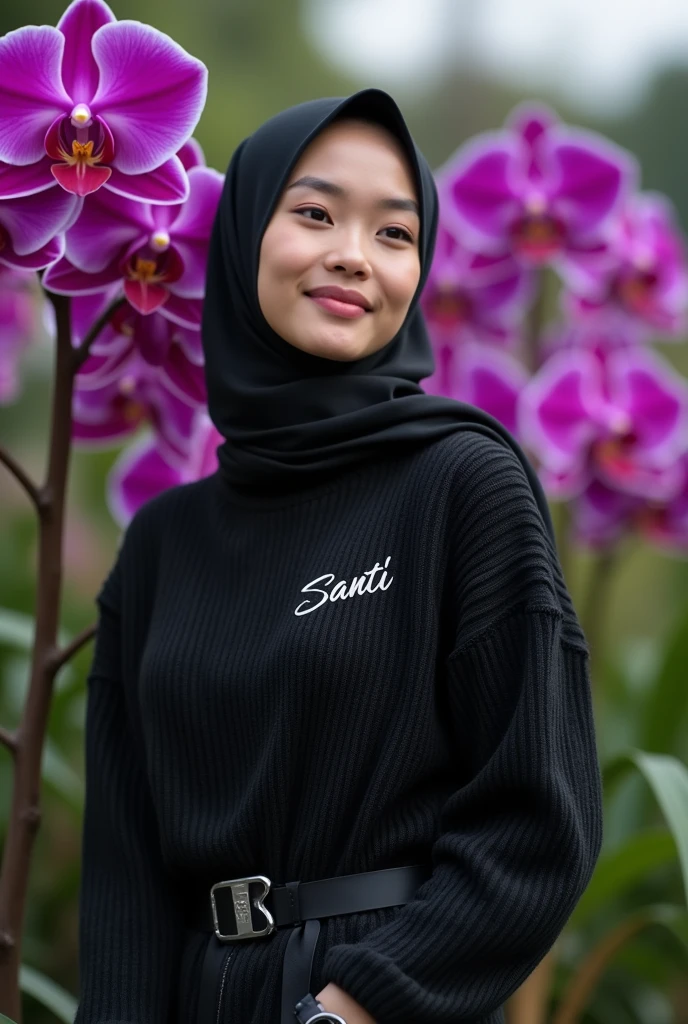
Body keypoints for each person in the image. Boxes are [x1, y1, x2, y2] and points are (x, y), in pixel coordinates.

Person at [73, 88, 603, 1024]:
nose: (354, 257)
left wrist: (352, 1008)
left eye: (396, 235)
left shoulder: (463, 484)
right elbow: (126, 879)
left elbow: (539, 824)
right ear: (239, 240)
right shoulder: (162, 546)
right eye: (314, 214)